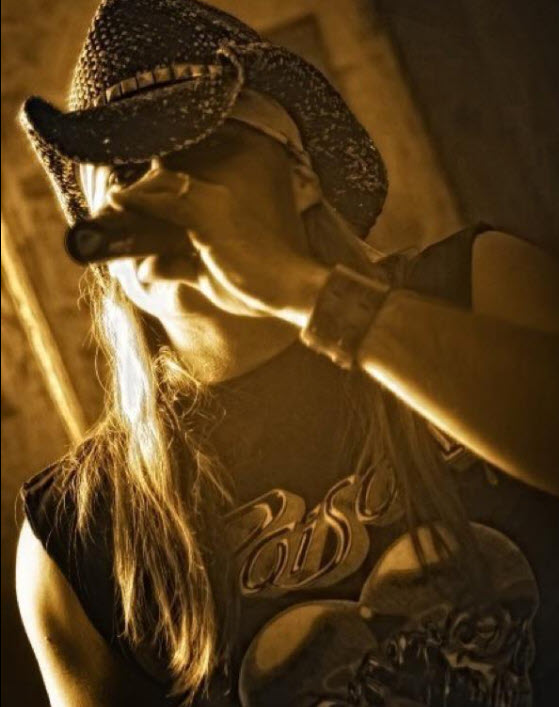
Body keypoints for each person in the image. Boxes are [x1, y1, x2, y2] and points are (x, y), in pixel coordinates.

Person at [15, 1, 559, 705]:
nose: (165, 188)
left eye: (201, 146)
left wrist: (304, 291)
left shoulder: (479, 285)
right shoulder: (77, 534)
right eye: (124, 171)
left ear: (301, 173)